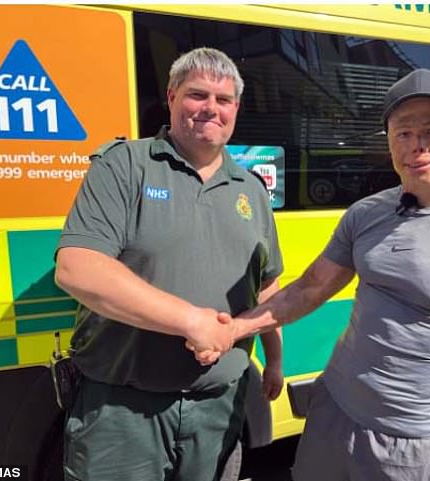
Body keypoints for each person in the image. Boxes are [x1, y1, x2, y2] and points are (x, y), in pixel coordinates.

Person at [190, 68, 430, 481]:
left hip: (407, 442)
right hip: (332, 412)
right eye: (403, 133)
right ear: (390, 142)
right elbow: (309, 289)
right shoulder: (367, 214)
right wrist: (233, 328)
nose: (418, 146)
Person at [54, 47, 284, 481]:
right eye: (197, 95)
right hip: (123, 411)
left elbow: (266, 286)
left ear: (236, 108)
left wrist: (274, 362)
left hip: (218, 407)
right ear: (172, 96)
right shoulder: (125, 165)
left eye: (224, 99)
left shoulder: (251, 189)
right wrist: (190, 322)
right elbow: (77, 267)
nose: (210, 109)